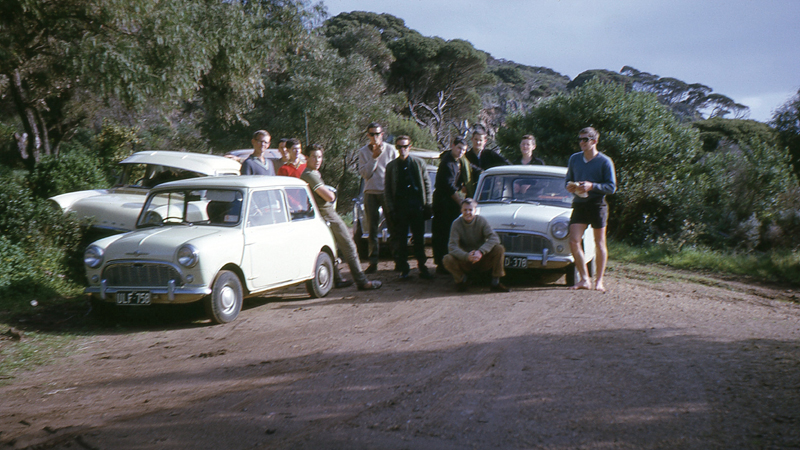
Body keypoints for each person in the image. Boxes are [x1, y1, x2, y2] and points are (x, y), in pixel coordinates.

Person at [300, 144, 382, 291]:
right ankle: (362, 281)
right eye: (314, 157)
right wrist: (331, 194)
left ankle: (337, 279)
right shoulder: (309, 175)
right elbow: (329, 197)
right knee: (349, 247)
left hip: (322, 215)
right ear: (306, 157)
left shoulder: (313, 173)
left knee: (333, 248)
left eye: (319, 157)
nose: (317, 160)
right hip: (327, 214)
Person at [565, 127, 617, 292]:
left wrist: (592, 186)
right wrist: (570, 186)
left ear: (594, 141)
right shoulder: (574, 159)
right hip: (579, 203)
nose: (581, 142)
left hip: (597, 204)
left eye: (585, 139)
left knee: (599, 242)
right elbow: (568, 180)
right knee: (573, 240)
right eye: (580, 139)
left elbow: (611, 187)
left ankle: (599, 281)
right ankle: (584, 279)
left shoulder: (605, 161)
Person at [384, 135, 434, 280]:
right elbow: (387, 190)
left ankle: (422, 267)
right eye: (399, 147)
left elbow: (427, 185)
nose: (402, 149)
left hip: (417, 206)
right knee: (401, 240)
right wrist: (390, 209)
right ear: (396, 148)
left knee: (419, 239)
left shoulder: (418, 163)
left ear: (410, 147)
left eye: (405, 146)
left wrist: (428, 204)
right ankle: (404, 269)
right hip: (400, 207)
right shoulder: (391, 166)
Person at [443, 198, 509, 292]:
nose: (468, 213)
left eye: (470, 210)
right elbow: (452, 247)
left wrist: (481, 251)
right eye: (465, 210)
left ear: (475, 210)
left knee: (499, 248)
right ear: (461, 210)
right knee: (447, 259)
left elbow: (494, 238)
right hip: (465, 260)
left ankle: (496, 282)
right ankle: (462, 280)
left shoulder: (481, 221)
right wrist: (467, 256)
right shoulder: (456, 224)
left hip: (482, 258)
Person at [357, 122, 398, 274]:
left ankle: (398, 259)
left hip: (386, 192)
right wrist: (374, 157)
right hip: (370, 193)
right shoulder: (363, 152)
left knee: (393, 226)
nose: (375, 137)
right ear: (368, 135)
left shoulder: (391, 150)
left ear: (382, 134)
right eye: (372, 134)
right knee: (372, 229)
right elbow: (365, 174)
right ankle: (373, 262)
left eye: (378, 134)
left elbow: (396, 171)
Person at [432, 137, 469, 273]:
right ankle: (442, 265)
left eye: (463, 150)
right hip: (443, 204)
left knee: (449, 234)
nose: (461, 152)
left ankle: (447, 263)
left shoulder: (459, 162)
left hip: (450, 204)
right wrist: (461, 203)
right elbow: (449, 187)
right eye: (459, 148)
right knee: (443, 235)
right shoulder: (447, 163)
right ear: (452, 146)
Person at [464, 125, 509, 195]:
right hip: (472, 193)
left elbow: (506, 164)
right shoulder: (466, 157)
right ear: (472, 139)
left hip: (490, 191)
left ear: (485, 141)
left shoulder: (490, 154)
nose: (478, 142)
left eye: (480, 140)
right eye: (476, 139)